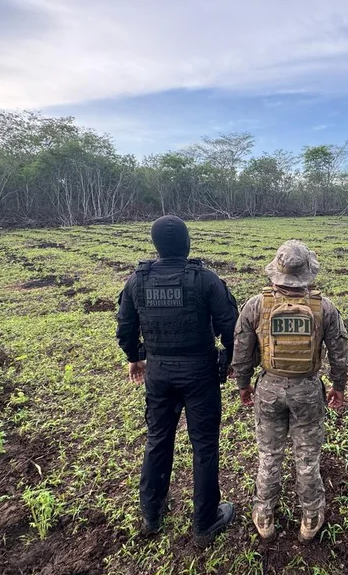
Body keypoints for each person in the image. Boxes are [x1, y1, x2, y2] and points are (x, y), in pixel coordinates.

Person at [116, 215, 239, 549]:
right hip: (199, 373)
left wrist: (134, 357)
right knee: (204, 444)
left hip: (158, 372)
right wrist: (230, 361)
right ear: (187, 244)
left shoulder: (137, 281)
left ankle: (151, 514)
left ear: (156, 246)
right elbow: (232, 327)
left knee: (158, 438)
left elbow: (125, 326)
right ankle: (205, 522)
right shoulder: (206, 279)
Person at [232, 240, 348, 543]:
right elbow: (339, 353)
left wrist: (244, 385)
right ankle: (310, 517)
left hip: (269, 387)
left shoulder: (256, 305)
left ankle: (264, 514)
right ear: (309, 272)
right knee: (307, 457)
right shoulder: (324, 307)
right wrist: (338, 387)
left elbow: (242, 352)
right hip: (308, 390)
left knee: (269, 455)